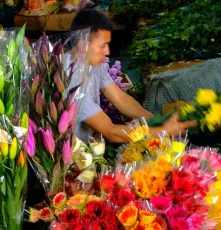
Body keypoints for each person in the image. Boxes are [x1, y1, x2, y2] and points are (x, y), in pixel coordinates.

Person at [70, 8, 196, 144]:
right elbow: (110, 131)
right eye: (103, 45)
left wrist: (155, 120)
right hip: (65, 157)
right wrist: (163, 131)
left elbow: (121, 99)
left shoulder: (92, 64)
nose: (107, 51)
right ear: (83, 45)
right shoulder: (72, 81)